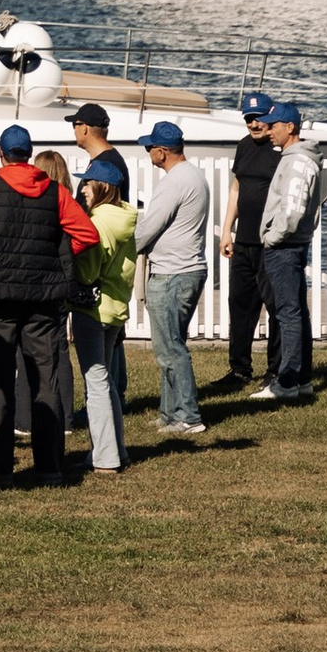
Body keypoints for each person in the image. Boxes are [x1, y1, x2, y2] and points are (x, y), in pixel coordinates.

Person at [0, 125, 94, 491]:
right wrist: (54, 259)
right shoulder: (55, 191)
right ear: (28, 155)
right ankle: (49, 467)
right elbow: (86, 235)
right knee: (44, 381)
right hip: (42, 301)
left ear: (1, 154)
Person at [135, 123, 211, 442]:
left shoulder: (173, 183)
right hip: (187, 270)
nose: (148, 152)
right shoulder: (193, 176)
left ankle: (188, 416)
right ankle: (170, 412)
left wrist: (122, 249)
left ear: (162, 152)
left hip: (172, 273)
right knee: (170, 342)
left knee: (170, 349)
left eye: (150, 148)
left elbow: (150, 226)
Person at [250, 105, 320, 405]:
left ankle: (288, 380)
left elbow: (292, 210)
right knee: (296, 312)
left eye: (273, 125)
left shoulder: (297, 162)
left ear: (290, 127)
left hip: (285, 247)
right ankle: (302, 379)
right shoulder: (296, 158)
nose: (268, 130)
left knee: (288, 314)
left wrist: (272, 238)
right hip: (291, 244)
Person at [73, 152, 136, 480]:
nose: (82, 189)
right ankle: (116, 449)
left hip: (92, 309)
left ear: (100, 187)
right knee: (106, 381)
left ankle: (106, 456)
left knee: (95, 382)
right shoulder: (124, 218)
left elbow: (88, 270)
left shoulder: (99, 223)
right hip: (114, 308)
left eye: (86, 183)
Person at [220, 93, 276, 390]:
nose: (253, 124)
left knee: (276, 308)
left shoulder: (281, 149)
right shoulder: (243, 146)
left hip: (271, 243)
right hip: (243, 242)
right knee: (240, 306)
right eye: (248, 119)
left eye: (258, 118)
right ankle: (239, 371)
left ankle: (276, 371)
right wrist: (227, 230)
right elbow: (236, 190)